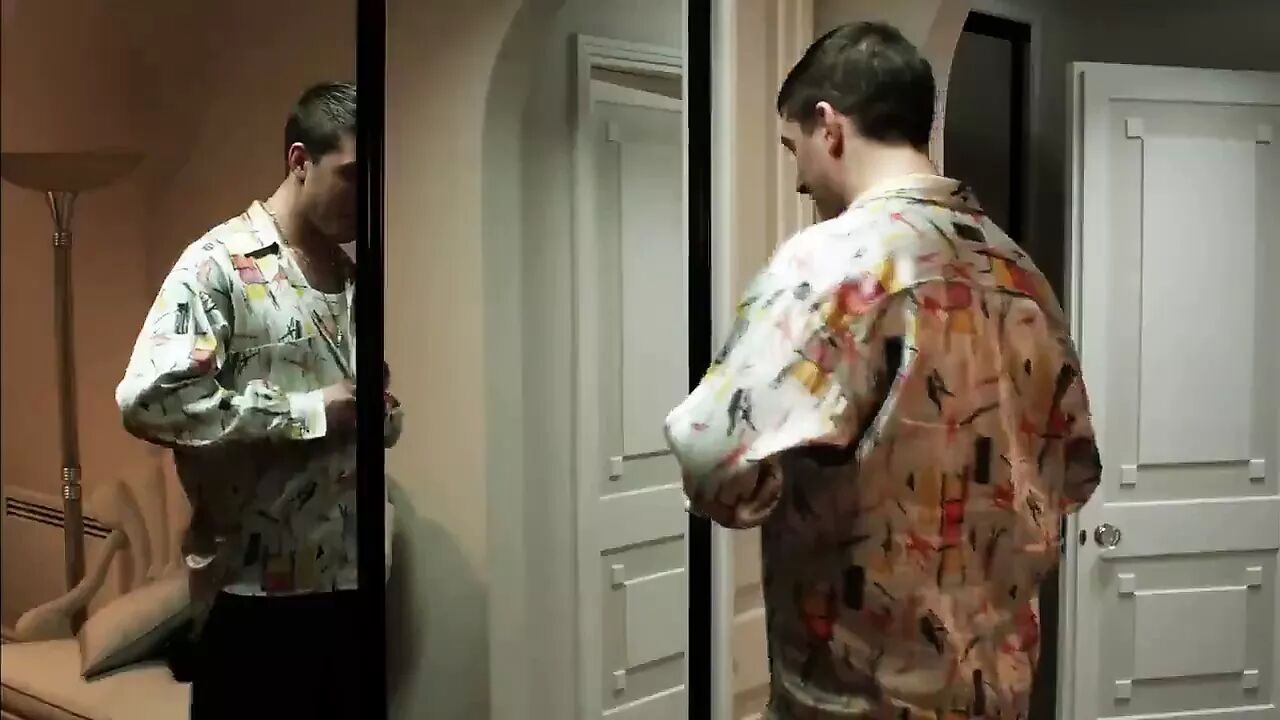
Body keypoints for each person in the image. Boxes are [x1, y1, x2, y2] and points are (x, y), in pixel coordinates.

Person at [664, 22, 1101, 719]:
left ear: (829, 125)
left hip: (856, 697)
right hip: (997, 691)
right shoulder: (1018, 272)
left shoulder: (832, 265)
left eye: (794, 148)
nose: (800, 177)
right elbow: (1073, 472)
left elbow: (714, 457)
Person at [116, 81, 401, 719]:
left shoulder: (353, 280)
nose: (366, 197)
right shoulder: (215, 266)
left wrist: (377, 414)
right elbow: (147, 401)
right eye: (352, 175)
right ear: (300, 161)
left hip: (355, 592)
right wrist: (307, 412)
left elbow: (356, 402)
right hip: (254, 602)